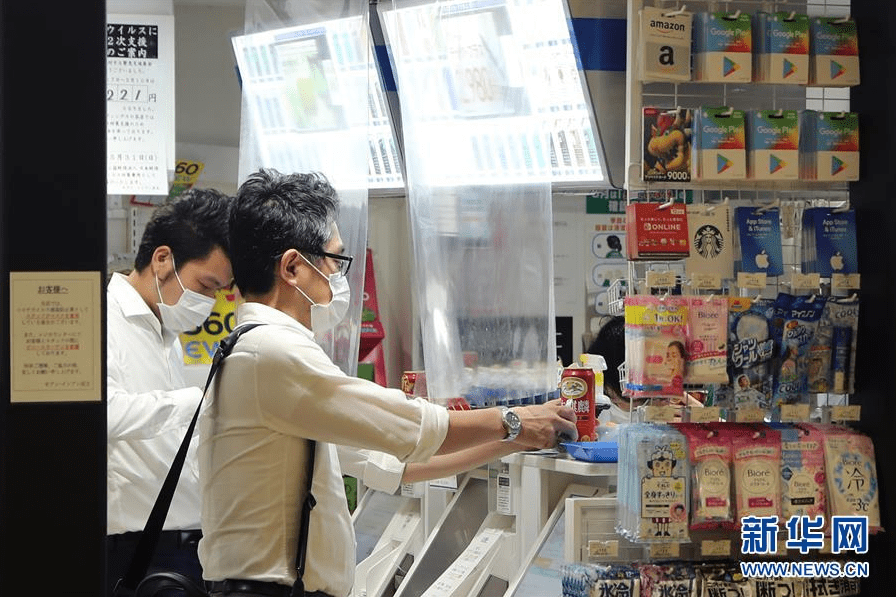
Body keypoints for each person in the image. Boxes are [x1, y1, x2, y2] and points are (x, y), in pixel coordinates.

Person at [198, 169, 577, 597]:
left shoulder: (250, 348)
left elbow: (398, 467)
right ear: (292, 267)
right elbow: (412, 427)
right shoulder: (272, 352)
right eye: (334, 262)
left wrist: (514, 440)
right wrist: (513, 419)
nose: (339, 280)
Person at [106, 188, 234, 595]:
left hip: (186, 542)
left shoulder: (168, 335)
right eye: (206, 286)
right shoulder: (103, 320)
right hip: (132, 547)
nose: (210, 303)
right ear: (162, 260)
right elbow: (101, 413)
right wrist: (198, 399)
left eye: (219, 292)